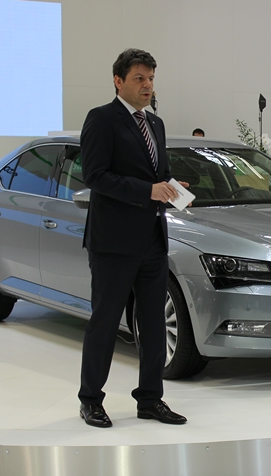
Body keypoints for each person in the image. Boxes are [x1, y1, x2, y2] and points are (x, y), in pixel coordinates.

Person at [78, 48, 187, 428]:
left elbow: (158, 174)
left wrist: (172, 187)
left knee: (153, 324)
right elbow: (95, 176)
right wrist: (147, 191)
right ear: (118, 81)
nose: (147, 85)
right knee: (105, 322)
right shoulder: (101, 119)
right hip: (113, 243)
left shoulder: (155, 123)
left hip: (153, 240)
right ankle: (91, 400)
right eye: (139, 78)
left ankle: (150, 399)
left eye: (151, 79)